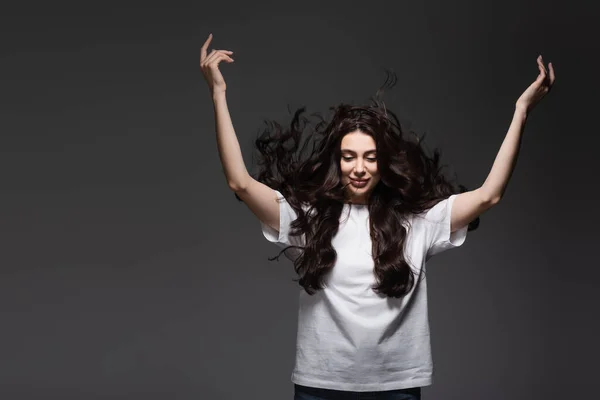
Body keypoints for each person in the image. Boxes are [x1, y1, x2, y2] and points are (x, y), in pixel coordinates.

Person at [200, 33, 555, 400]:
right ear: (337, 161)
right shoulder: (307, 219)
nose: (359, 168)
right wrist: (218, 95)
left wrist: (521, 111)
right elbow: (239, 183)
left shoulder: (417, 222)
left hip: (397, 388)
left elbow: (489, 195)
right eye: (349, 156)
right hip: (320, 387)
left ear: (383, 162)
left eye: (370, 157)